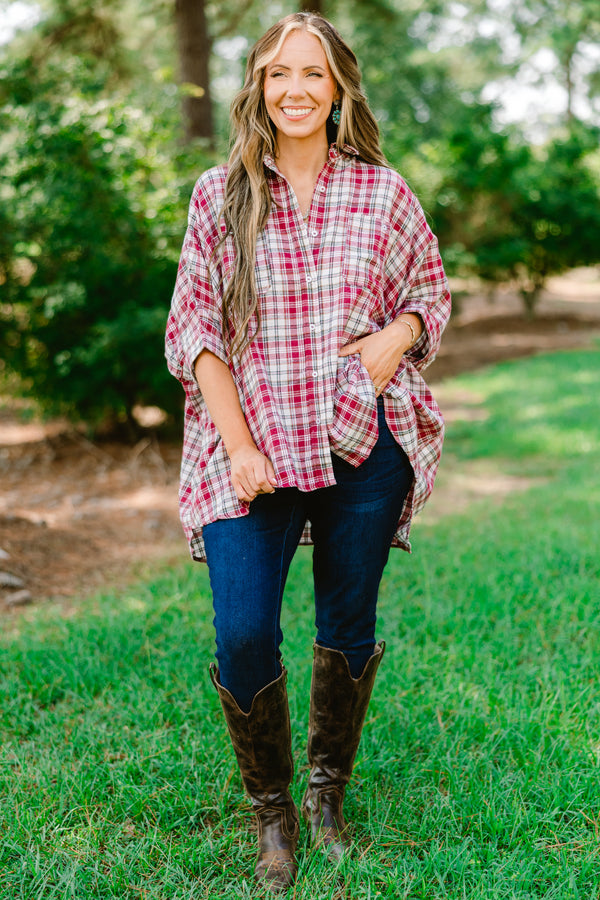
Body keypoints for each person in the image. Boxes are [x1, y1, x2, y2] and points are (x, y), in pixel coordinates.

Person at [165, 11, 451, 893]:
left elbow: (432, 296)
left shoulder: (382, 192)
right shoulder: (221, 194)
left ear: (338, 92)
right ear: (258, 85)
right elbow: (195, 331)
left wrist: (396, 335)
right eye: (278, 73)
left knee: (346, 626)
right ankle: (271, 813)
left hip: (364, 441)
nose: (295, 89)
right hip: (249, 449)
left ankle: (326, 798)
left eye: (313, 76)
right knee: (243, 629)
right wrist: (240, 445)